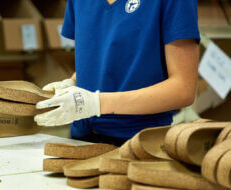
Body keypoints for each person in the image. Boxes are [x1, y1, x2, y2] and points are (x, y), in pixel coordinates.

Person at [34, 0, 200, 147]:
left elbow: (183, 89)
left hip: (140, 143)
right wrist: (72, 83)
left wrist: (97, 103)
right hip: (80, 139)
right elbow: (101, 55)